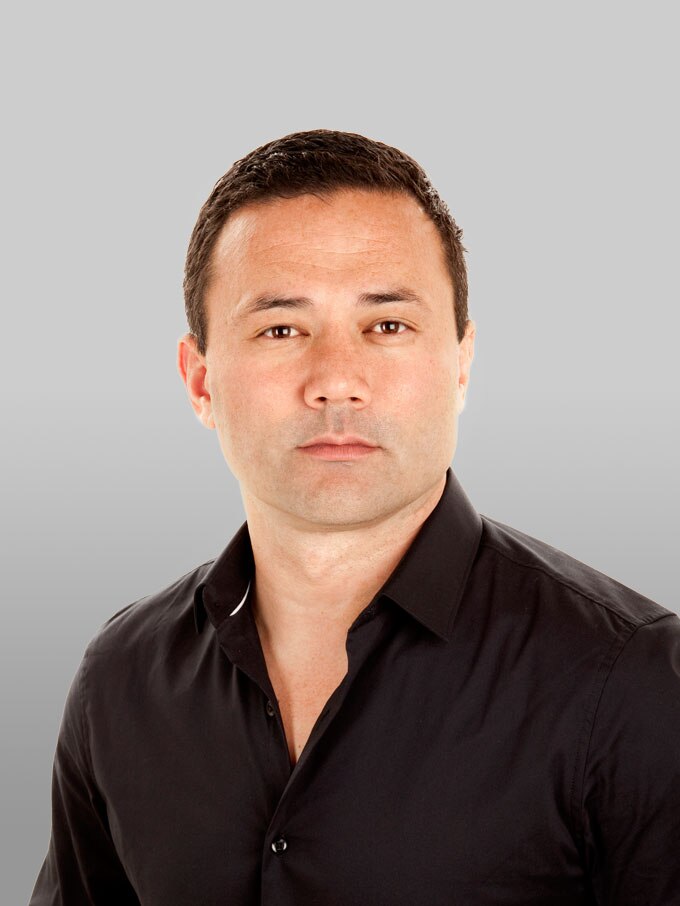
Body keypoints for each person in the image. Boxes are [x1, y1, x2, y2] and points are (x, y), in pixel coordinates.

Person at [30, 129, 680, 906]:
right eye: (281, 329)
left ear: (461, 362)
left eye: (387, 326)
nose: (336, 381)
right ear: (201, 382)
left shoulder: (630, 681)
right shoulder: (120, 681)